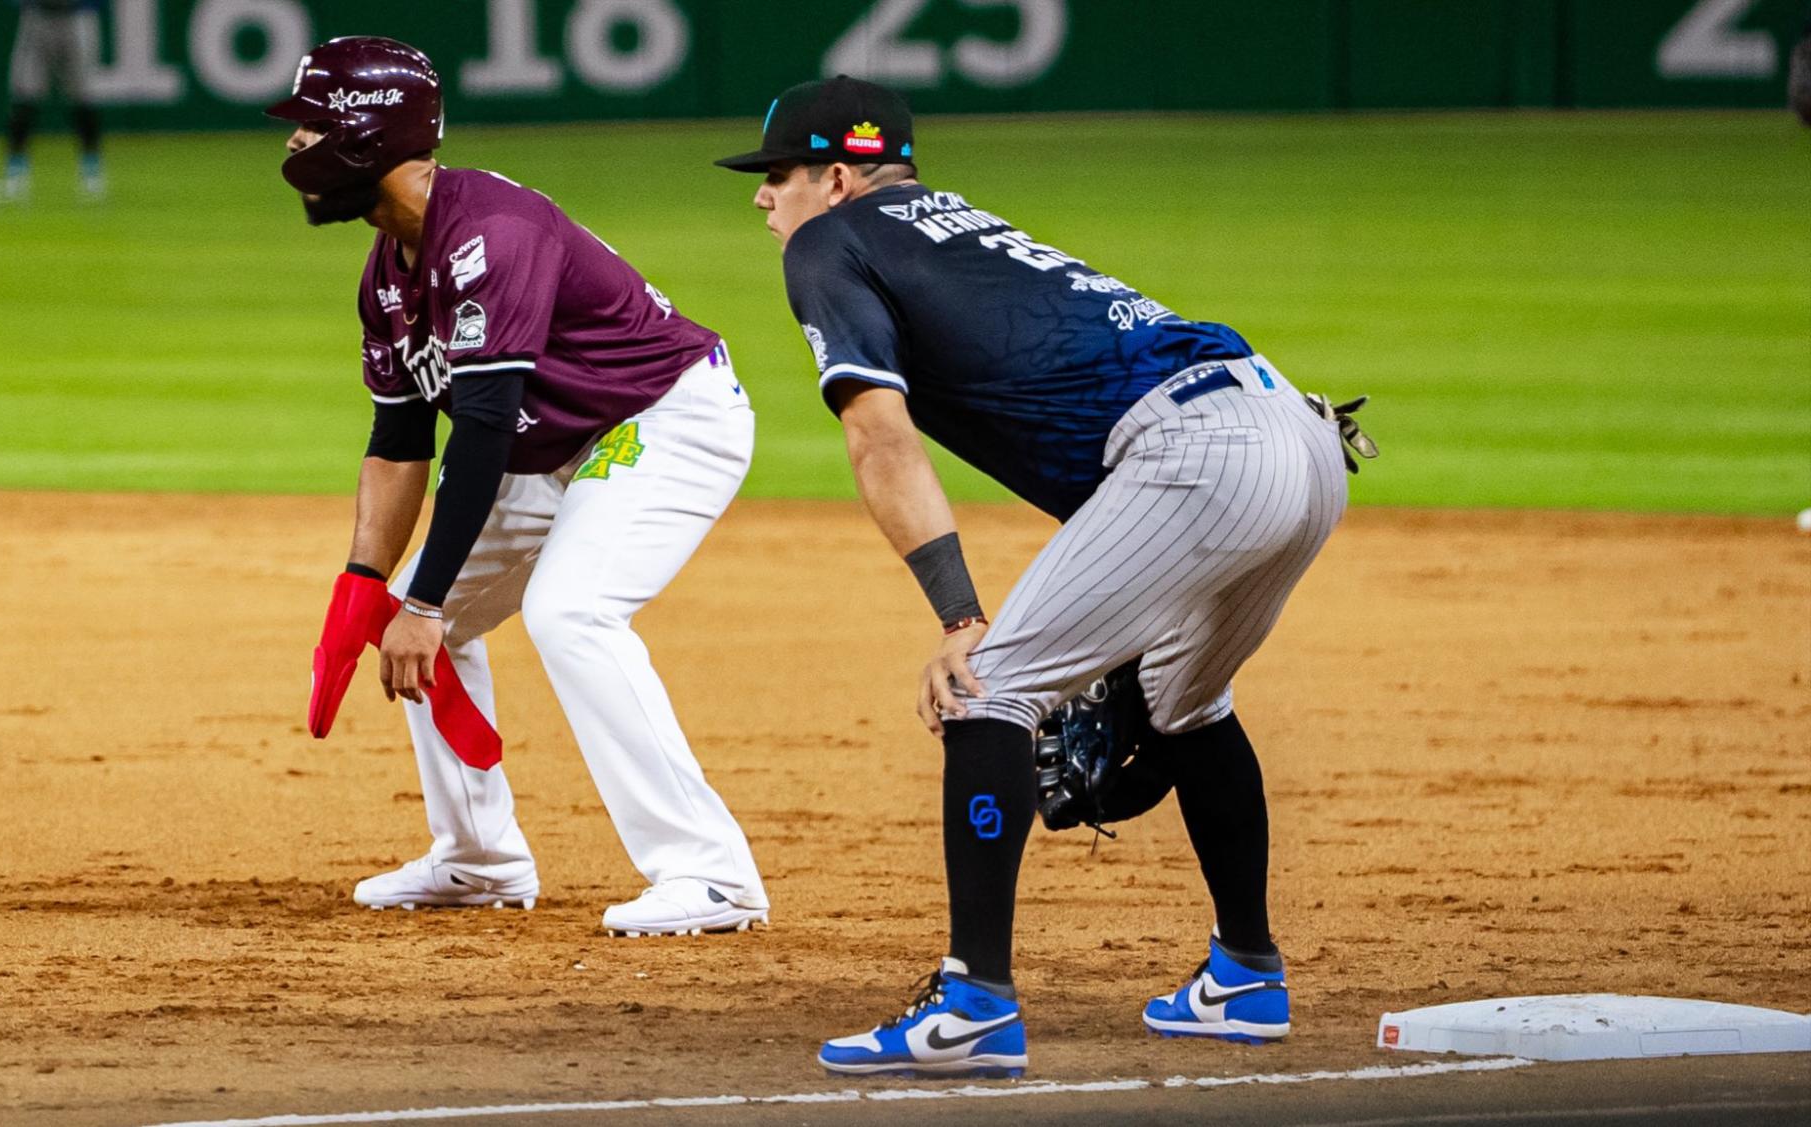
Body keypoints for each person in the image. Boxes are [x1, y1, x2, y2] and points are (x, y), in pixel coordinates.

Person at [716, 77, 1374, 1076]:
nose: (765, 197)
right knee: (1181, 700)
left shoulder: (829, 242)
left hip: (1197, 451)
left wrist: (959, 616)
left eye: (777, 174)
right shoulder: (954, 226)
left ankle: (974, 998)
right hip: (1301, 431)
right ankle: (1244, 974)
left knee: (990, 686)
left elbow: (877, 437)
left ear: (837, 176)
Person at [275, 37, 768, 938]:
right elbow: (399, 440)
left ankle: (711, 874)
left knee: (570, 611)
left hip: (661, 419)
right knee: (416, 617)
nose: (295, 148)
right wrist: (363, 587)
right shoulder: (387, 272)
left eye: (312, 126)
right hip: (551, 448)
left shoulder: (488, 235)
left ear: (367, 135)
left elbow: (488, 428)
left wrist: (424, 598)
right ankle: (479, 857)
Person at [0, 0, 107, 202]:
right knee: (24, 93)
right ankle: (15, 171)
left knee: (82, 95)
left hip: (77, 17)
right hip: (37, 16)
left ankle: (92, 170)